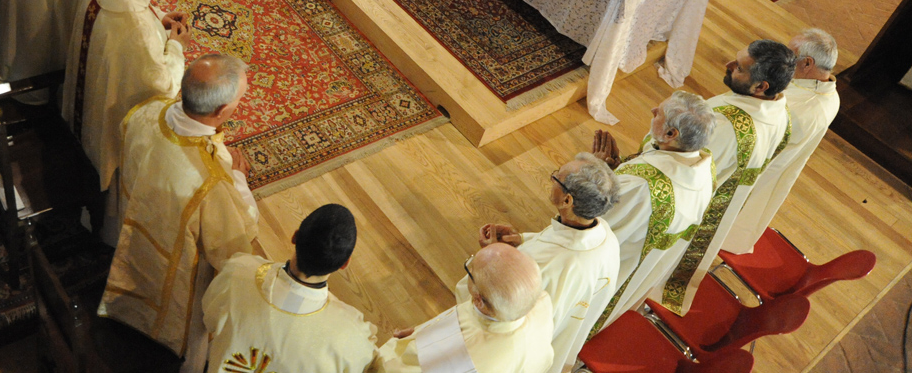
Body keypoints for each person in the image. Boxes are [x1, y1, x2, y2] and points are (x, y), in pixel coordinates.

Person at [99, 54, 259, 373]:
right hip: (178, 272)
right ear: (222, 111)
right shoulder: (210, 182)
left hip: (134, 236)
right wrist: (238, 177)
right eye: (239, 100)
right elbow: (234, 244)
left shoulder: (146, 111)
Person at [62, 0, 190, 241]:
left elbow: (134, 4)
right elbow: (161, 86)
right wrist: (176, 46)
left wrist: (158, 18)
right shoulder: (137, 31)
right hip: (104, 121)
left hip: (83, 95)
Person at [660, 40, 796, 315]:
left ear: (761, 87)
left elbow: (680, 168)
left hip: (688, 208)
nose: (728, 65)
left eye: (740, 68)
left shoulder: (727, 127)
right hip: (722, 205)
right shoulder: (780, 113)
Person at [478, 155, 620, 373]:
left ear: (567, 201)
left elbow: (497, 302)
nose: (552, 179)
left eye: (557, 178)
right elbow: (560, 240)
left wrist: (492, 254)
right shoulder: (604, 235)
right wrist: (523, 240)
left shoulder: (544, 263)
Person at [589, 91, 715, 334]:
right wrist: (617, 172)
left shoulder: (643, 186)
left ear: (671, 134)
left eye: (660, 113)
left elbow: (592, 222)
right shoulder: (702, 167)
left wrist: (597, 171)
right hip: (643, 268)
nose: (653, 110)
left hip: (607, 268)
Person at [203, 204, 380, 373]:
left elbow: (209, 317)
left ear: (295, 237)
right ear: (344, 264)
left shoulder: (238, 271)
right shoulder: (352, 334)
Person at [725, 30, 840, 256]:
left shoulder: (799, 108)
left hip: (753, 172)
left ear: (807, 63)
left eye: (790, 54)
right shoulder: (830, 92)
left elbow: (752, 139)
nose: (783, 58)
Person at [377, 243, 554, 373]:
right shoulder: (540, 301)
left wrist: (418, 346)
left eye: (471, 270)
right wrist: (422, 333)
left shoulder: (459, 357)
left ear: (478, 300)